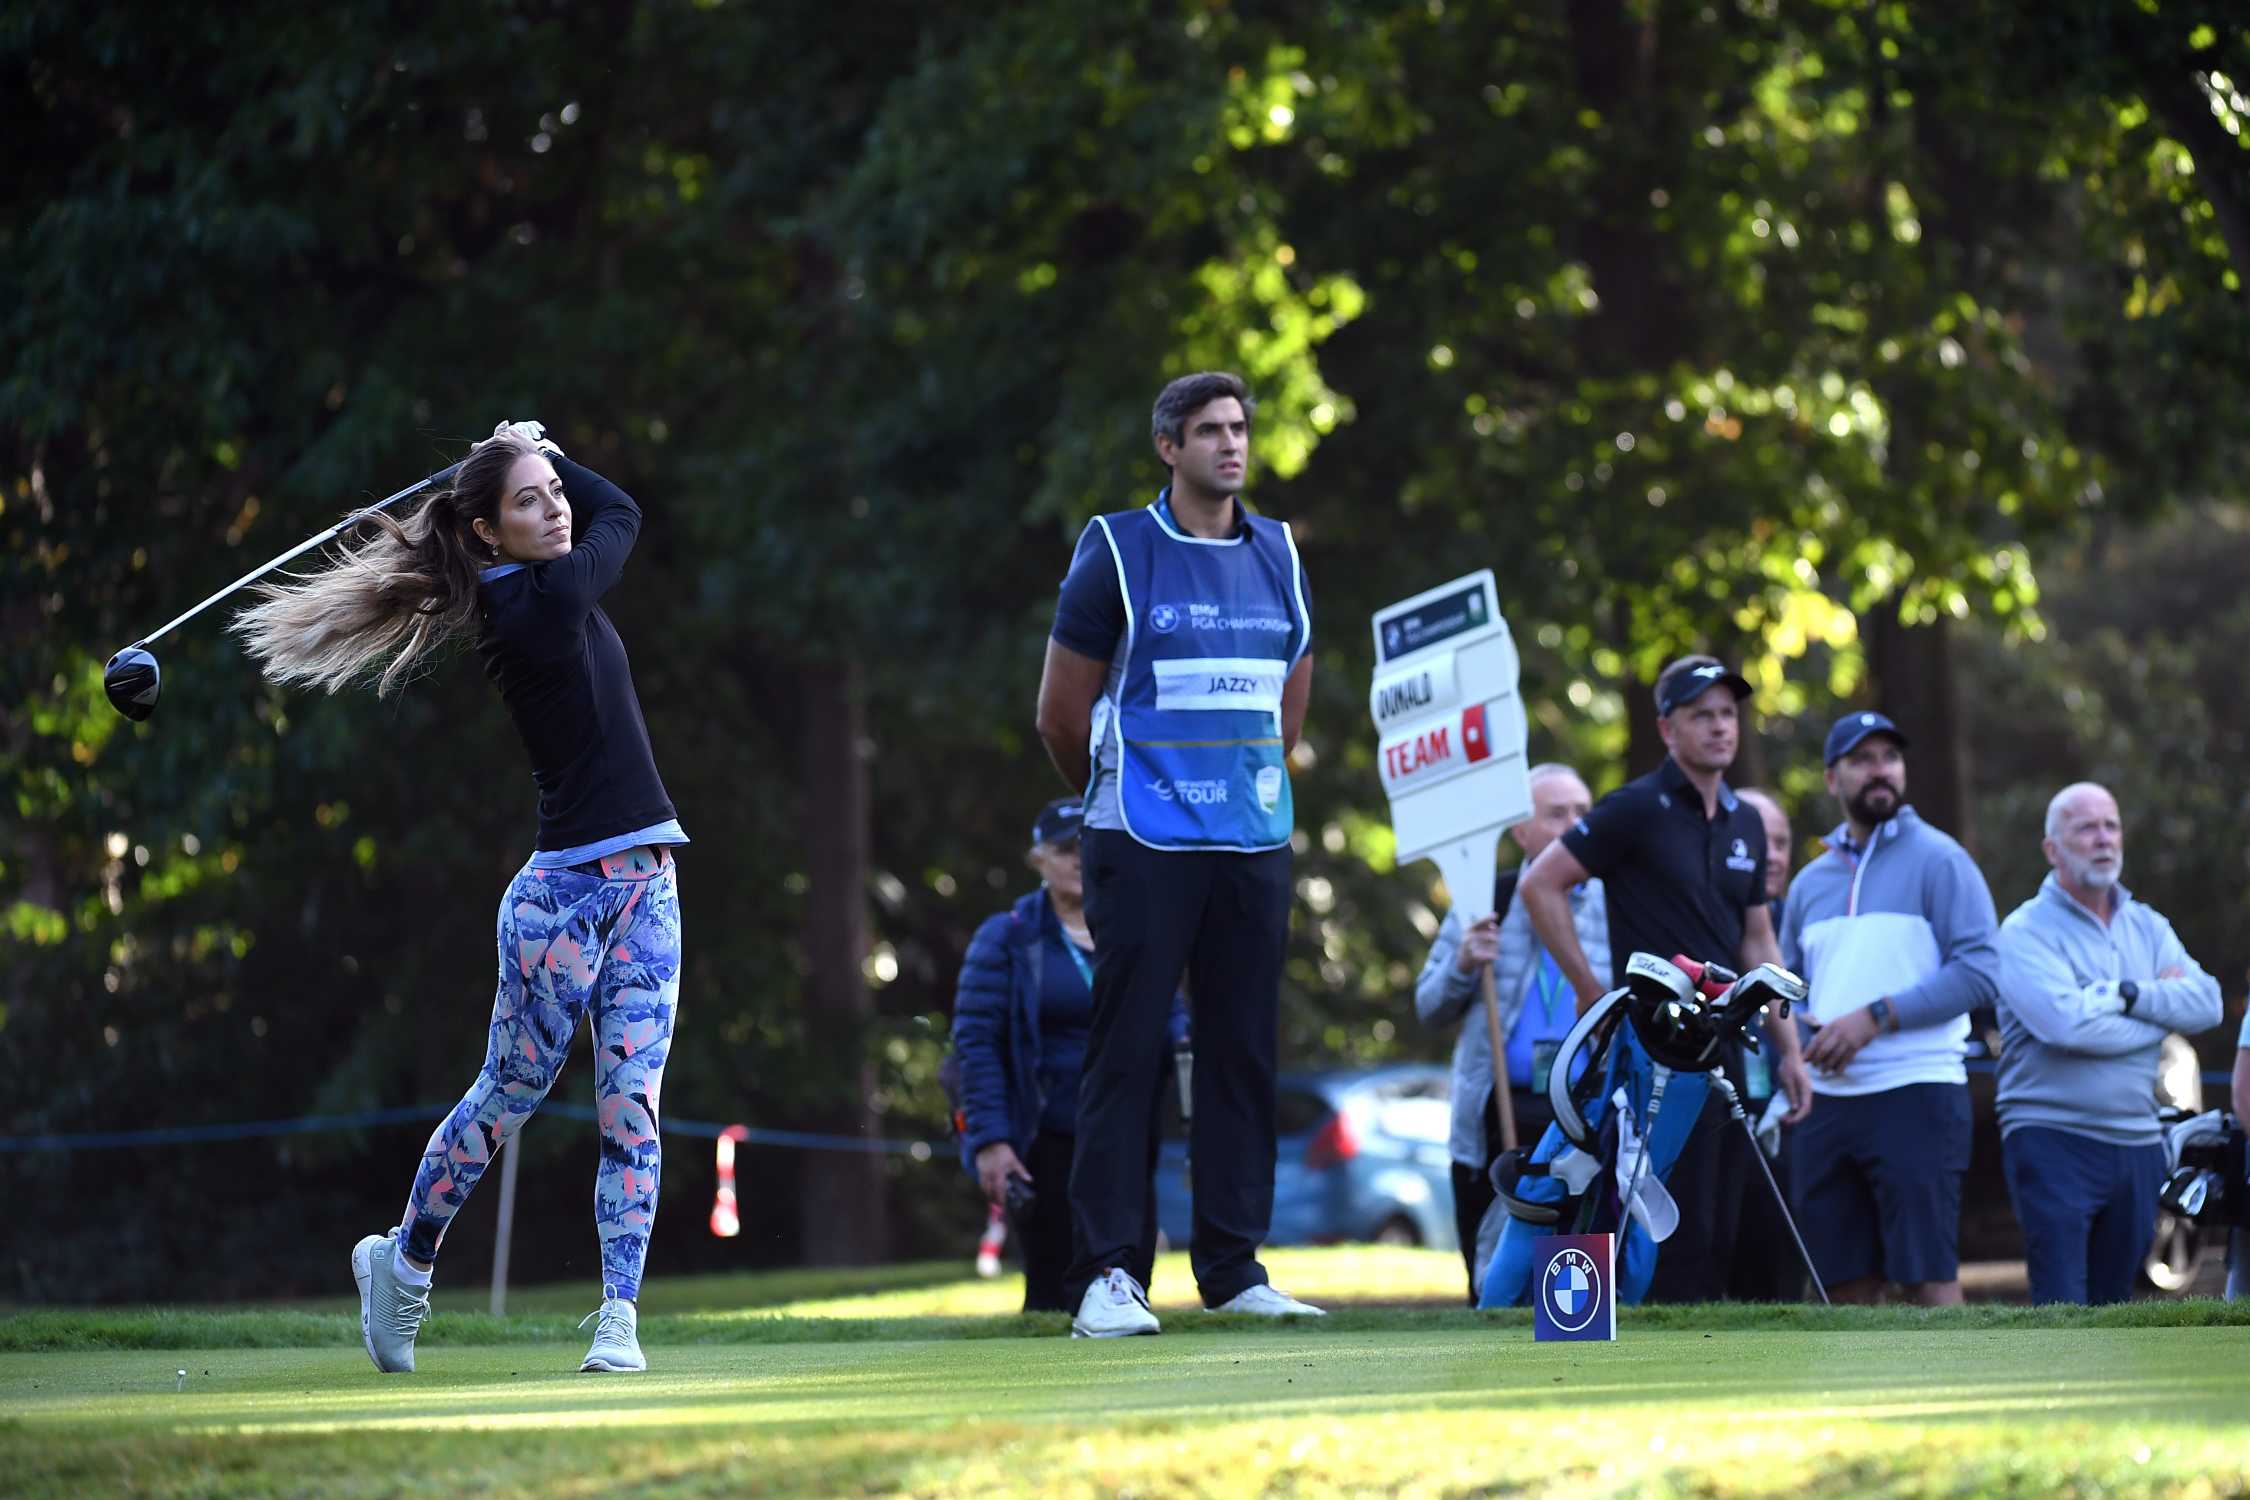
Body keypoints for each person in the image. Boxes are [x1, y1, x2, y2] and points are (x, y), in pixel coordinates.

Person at [233, 421, 685, 1374]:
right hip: (561, 904)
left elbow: (596, 510)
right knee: (508, 1097)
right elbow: (624, 509)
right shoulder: (540, 604)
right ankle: (403, 1263)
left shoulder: (542, 578)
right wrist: (548, 450)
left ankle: (619, 1317)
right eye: (530, 499)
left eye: (552, 493)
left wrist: (532, 458)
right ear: (486, 533)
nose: (556, 506)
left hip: (650, 888)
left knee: (631, 1107)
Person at [1034, 371, 1317, 1337]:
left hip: (1251, 841)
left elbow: (1291, 691)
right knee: (1130, 1051)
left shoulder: (1279, 550)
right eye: (1208, 431)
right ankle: (1108, 1275)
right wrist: (1116, 791)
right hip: (1139, 838)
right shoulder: (1117, 547)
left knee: (1242, 1052)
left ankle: (1234, 1268)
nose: (1230, 446)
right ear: (1169, 446)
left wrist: (1250, 785)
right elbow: (1059, 713)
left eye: (1239, 429)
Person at [1514, 654, 1813, 1303]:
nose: (1719, 727)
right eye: (1701, 714)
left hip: (1725, 1044)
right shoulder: (1635, 809)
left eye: (1728, 714)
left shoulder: (1748, 822)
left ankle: (1694, 1356)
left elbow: (1756, 934)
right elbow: (1542, 884)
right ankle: (1607, 1334)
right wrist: (1593, 992)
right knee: (1642, 1209)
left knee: (1711, 1223)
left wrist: (1792, 1051)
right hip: (1647, 1050)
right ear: (1666, 728)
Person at [1777, 713, 2000, 1306]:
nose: (1881, 770)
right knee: (1841, 1285)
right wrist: (1796, 1041)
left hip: (1918, 1092)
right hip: (1825, 1104)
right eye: (1862, 759)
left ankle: (1954, 1398)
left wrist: (1873, 1017)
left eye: (1889, 757)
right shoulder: (1809, 883)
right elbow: (1789, 988)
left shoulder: (1941, 860)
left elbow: (1981, 972)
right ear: (1832, 778)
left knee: (1927, 1278)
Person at [949, 797, 1183, 1312]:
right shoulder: (1008, 936)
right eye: (1063, 848)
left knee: (1129, 1278)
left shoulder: (1134, 927)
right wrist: (990, 1140)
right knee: (1053, 1293)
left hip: (1123, 1132)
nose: (1079, 858)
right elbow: (975, 1044)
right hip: (1044, 1140)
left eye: (1087, 845)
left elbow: (1172, 1018)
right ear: (1039, 860)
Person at [1994, 782, 2221, 1304]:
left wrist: (2124, 993)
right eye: (2086, 827)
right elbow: (2066, 1028)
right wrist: (2161, 1015)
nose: (2104, 839)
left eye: (2111, 825)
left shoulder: (2148, 925)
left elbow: (2207, 1004)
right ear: (2052, 849)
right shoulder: (2024, 931)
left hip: (2139, 1145)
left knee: (2116, 1307)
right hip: (2052, 1138)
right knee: (2063, 1308)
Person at [1413, 763, 1607, 1303]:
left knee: (1573, 1270)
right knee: (1493, 1268)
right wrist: (1463, 964)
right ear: (1520, 830)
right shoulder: (1485, 903)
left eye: (1582, 813)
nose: (1573, 825)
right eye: (1556, 814)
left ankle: (1573, 1366)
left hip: (1581, 1113)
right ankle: (1488, 1362)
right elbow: (1428, 1006)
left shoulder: (1611, 905)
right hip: (1495, 1111)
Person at [1725, 785, 1803, 1300]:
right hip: (1724, 1118)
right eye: (1759, 842)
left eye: (1780, 842)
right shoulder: (1711, 919)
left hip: (1792, 1121)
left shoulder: (1804, 916)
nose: (1770, 855)